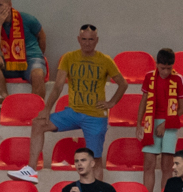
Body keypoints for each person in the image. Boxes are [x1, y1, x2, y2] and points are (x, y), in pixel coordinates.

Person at [14, 23, 125, 180]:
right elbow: (58, 86)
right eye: (84, 39)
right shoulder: (68, 58)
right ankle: (31, 170)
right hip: (73, 112)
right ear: (78, 39)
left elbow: (123, 84)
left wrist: (111, 103)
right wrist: (47, 109)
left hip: (95, 116)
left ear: (97, 40)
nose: (87, 43)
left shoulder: (105, 60)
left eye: (91, 39)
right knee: (38, 124)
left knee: (95, 160)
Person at [0, 0, 48, 115]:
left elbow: (42, 36)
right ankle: (4, 96)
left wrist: (38, 56)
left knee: (38, 74)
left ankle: (35, 110)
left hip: (31, 59)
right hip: (10, 62)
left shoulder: (27, 19)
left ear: (9, 4)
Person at [136, 48, 183, 192]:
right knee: (148, 165)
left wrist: (165, 125)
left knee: (167, 166)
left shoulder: (178, 79)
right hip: (151, 122)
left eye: (169, 68)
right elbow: (144, 101)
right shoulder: (149, 77)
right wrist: (138, 123)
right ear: (156, 64)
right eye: (162, 68)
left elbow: (182, 108)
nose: (165, 72)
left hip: (170, 125)